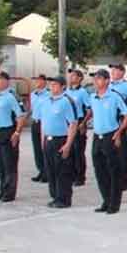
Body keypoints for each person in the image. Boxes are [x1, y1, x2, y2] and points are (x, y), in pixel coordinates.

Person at [88, 69, 127, 214]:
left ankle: (114, 203)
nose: (96, 81)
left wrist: (119, 132)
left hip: (110, 136)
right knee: (100, 171)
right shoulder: (92, 97)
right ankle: (106, 201)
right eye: (95, 79)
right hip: (97, 136)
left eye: (99, 79)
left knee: (114, 171)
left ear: (107, 81)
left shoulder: (114, 96)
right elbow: (93, 113)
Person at [40, 75, 78, 208]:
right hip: (48, 139)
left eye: (55, 85)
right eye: (51, 84)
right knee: (51, 170)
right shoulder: (46, 101)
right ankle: (55, 196)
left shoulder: (66, 101)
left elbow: (73, 124)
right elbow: (43, 123)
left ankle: (64, 199)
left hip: (61, 140)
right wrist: (42, 141)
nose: (52, 87)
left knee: (62, 171)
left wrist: (68, 144)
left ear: (63, 87)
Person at [0, 71, 27, 202]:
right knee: (0, 164)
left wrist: (17, 133)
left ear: (6, 81)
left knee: (9, 164)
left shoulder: (12, 97)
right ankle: (2, 190)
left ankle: (9, 193)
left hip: (8, 132)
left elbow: (21, 116)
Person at [109, 64, 127, 191]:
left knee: (123, 153)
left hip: (123, 121)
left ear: (122, 72)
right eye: (112, 70)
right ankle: (115, 178)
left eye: (115, 70)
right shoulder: (109, 85)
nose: (112, 72)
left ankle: (125, 181)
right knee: (112, 152)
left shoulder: (126, 86)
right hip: (111, 123)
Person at [65, 69, 91, 186]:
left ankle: (80, 177)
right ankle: (71, 175)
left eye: (74, 76)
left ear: (80, 78)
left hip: (79, 121)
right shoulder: (66, 91)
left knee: (78, 150)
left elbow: (89, 109)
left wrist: (84, 123)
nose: (71, 77)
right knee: (69, 150)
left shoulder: (83, 92)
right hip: (68, 122)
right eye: (70, 75)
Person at [28, 74, 50, 183]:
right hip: (35, 122)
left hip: (44, 122)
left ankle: (47, 172)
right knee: (36, 148)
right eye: (35, 80)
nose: (37, 82)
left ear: (44, 81)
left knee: (44, 148)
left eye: (39, 80)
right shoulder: (33, 94)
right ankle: (41, 170)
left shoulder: (49, 94)